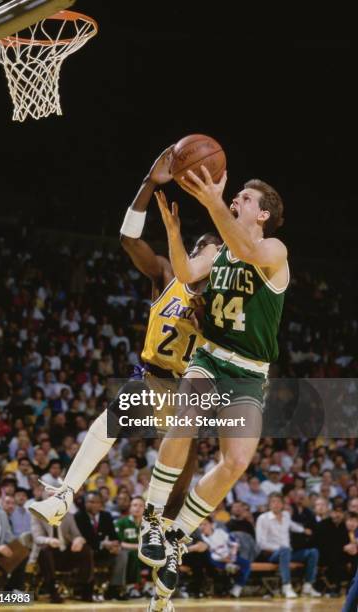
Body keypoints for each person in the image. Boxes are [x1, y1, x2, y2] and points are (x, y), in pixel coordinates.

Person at [29, 146, 220, 531]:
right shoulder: (167, 275)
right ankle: (64, 495)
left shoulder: (221, 301)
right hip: (152, 374)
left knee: (186, 464)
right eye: (196, 245)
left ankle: (166, 529)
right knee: (110, 419)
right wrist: (149, 183)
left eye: (208, 248)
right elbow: (128, 239)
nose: (198, 250)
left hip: (190, 388)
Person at [139, 166, 288, 602]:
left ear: (262, 214)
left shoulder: (274, 249)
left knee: (236, 461)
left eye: (245, 197)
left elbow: (245, 247)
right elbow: (184, 273)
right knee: (184, 419)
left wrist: (212, 200)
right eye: (235, 195)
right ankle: (151, 516)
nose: (236, 198)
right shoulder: (221, 251)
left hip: (249, 371)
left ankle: (177, 537)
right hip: (209, 357)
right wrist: (172, 232)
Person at [256, 493, 320, 598]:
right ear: (269, 504)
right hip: (271, 554)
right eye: (273, 501)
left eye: (278, 502)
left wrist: (304, 530)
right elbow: (260, 543)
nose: (276, 504)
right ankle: (286, 586)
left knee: (313, 552)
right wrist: (281, 549)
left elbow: (292, 525)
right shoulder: (263, 518)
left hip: (288, 553)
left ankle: (308, 586)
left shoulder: (286, 515)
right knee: (285, 550)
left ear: (282, 504)